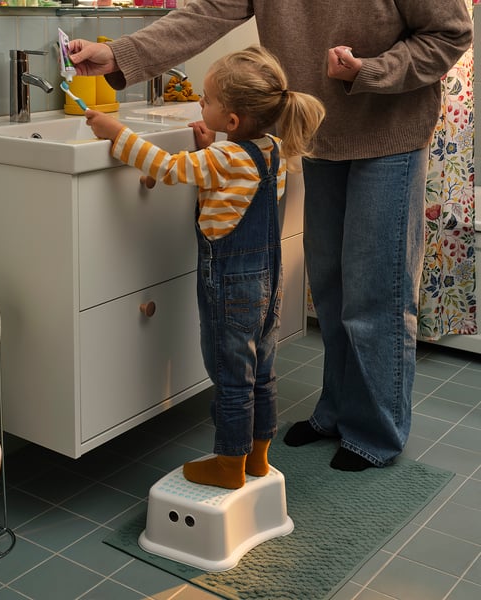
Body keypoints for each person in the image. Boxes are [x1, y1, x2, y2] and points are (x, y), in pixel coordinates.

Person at [69, 1, 473, 471]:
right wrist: (120, 54)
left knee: (375, 295)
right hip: (321, 134)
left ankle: (375, 430)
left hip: (389, 134)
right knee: (328, 285)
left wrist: (371, 71)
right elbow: (208, 12)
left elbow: (449, 34)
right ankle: (337, 412)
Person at [85, 45, 325, 489]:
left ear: (232, 121)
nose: (200, 101)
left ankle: (227, 466)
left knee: (231, 376)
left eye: (208, 99)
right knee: (261, 372)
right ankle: (256, 458)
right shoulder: (270, 149)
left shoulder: (223, 158)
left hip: (230, 284)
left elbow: (168, 167)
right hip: (269, 281)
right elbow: (232, 192)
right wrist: (212, 146)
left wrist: (115, 133)